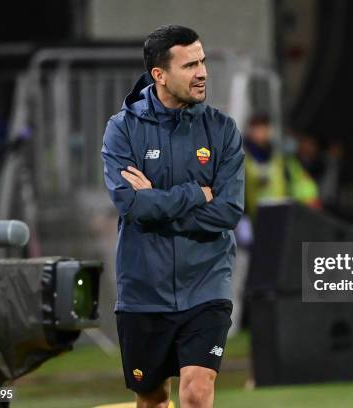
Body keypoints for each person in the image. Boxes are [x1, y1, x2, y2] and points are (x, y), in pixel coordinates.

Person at [101, 25, 244, 408]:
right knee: (151, 400)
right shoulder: (122, 131)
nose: (202, 73)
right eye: (189, 65)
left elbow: (228, 211)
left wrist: (158, 204)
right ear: (159, 75)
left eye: (202, 61)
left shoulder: (222, 130)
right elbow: (131, 205)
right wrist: (196, 195)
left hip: (206, 283)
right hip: (144, 291)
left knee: (197, 393)